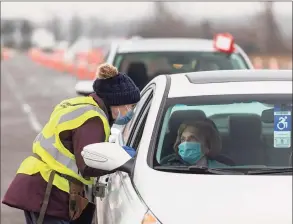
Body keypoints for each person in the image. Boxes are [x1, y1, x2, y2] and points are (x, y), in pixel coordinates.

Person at [2, 63, 141, 224]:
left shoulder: (80, 105)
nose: (131, 110)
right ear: (117, 103)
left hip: (41, 184)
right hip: (50, 193)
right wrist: (121, 160)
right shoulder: (93, 119)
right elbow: (88, 164)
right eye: (130, 106)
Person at [161, 118, 229, 167]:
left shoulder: (222, 169)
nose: (186, 143)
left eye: (192, 139)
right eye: (183, 139)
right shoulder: (167, 167)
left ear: (208, 146)